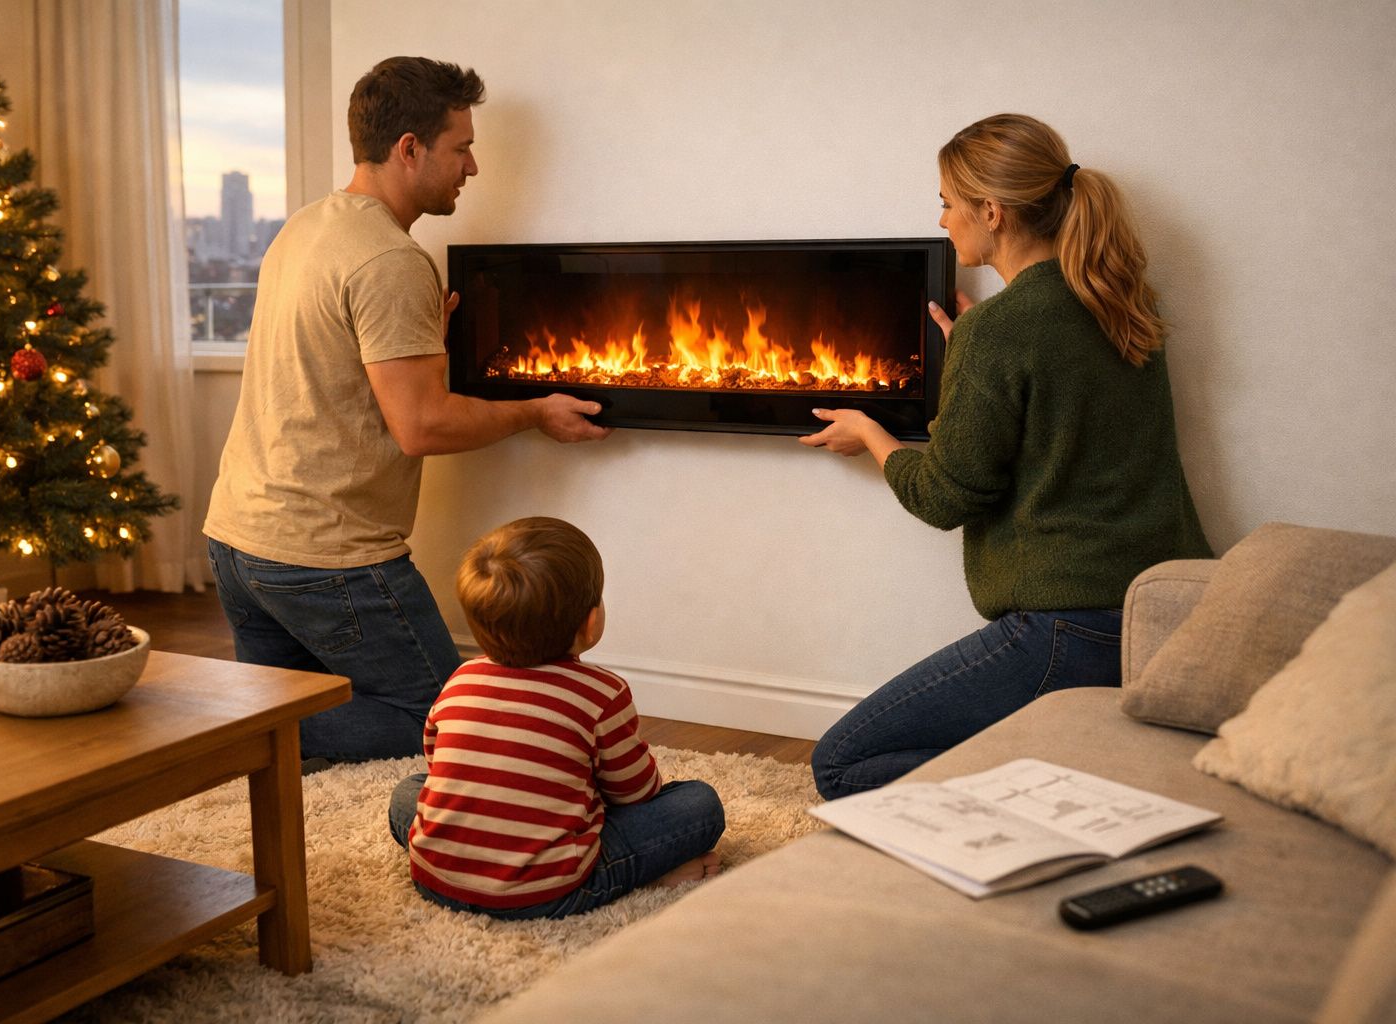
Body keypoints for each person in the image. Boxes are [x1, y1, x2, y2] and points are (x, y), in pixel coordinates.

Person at [204, 58, 611, 766]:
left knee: (291, 703)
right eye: (461, 146)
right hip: (325, 557)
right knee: (447, 720)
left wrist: (425, 347)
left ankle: (256, 728)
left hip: (238, 539)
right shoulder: (390, 260)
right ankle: (234, 737)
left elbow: (336, 370)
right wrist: (537, 412)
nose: (474, 166)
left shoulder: (306, 227)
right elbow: (420, 427)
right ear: (410, 149)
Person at [801, 113, 1212, 800]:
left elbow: (943, 496)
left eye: (945, 202)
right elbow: (1060, 413)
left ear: (990, 211)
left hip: (1073, 627)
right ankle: (1072, 769)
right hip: (1165, 608)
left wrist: (872, 434)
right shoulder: (1122, 301)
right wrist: (970, 360)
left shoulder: (1001, 330)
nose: (940, 220)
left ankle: (1069, 789)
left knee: (839, 763)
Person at [387, 516, 726, 919]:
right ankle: (641, 874)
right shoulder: (601, 692)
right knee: (698, 804)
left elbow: (438, 762)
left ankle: (462, 862)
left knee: (409, 793)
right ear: (591, 621)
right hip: (544, 891)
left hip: (435, 878)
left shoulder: (461, 678)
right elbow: (637, 793)